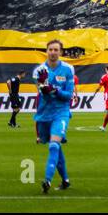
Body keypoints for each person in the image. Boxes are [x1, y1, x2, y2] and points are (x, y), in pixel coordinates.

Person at [34, 39, 75, 194]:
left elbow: (68, 96)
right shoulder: (38, 71)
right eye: (50, 49)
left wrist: (54, 90)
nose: (53, 52)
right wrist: (44, 88)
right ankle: (65, 180)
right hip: (44, 114)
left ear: (61, 52)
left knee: (53, 145)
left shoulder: (68, 69)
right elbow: (41, 94)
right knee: (56, 147)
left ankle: (47, 180)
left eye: (56, 50)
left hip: (61, 113)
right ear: (46, 51)